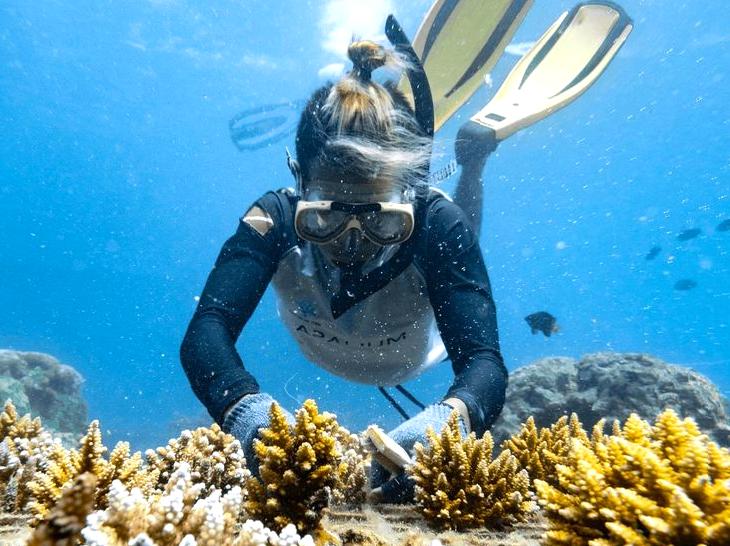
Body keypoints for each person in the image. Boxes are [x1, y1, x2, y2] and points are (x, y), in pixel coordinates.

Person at [180, 2, 632, 503]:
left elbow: (482, 362)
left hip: (422, 340)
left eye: (381, 221)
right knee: (443, 245)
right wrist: (246, 412)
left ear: (408, 194)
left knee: (454, 240)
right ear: (298, 184)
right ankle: (453, 179)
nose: (352, 245)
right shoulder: (273, 218)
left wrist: (446, 424)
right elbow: (206, 334)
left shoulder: (434, 222)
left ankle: (472, 165)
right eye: (325, 219)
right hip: (394, 336)